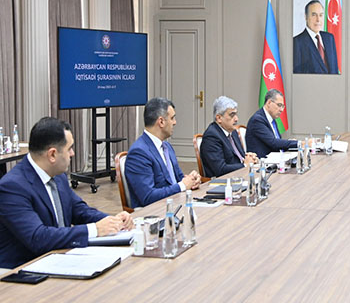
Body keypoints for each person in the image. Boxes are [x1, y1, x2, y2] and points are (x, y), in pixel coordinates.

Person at [0, 117, 133, 269]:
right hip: (23, 270)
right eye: (69, 148)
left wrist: (113, 221)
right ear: (52, 155)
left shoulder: (58, 176)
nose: (72, 153)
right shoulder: (12, 187)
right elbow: (38, 238)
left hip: (60, 257)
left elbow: (79, 211)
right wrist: (95, 229)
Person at [126, 98, 201, 208]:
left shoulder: (167, 147)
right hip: (157, 211)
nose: (175, 122)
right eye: (172, 118)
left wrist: (192, 180)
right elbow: (147, 197)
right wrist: (182, 186)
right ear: (161, 122)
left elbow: (178, 178)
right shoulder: (139, 153)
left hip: (177, 204)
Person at [200, 96, 258, 178]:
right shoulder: (211, 137)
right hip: (224, 181)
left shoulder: (232, 131)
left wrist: (249, 157)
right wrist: (245, 165)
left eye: (236, 114)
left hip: (240, 175)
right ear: (219, 118)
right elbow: (220, 169)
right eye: (232, 115)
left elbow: (239, 157)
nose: (236, 119)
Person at [245, 89, 297, 158]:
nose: (281, 110)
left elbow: (278, 144)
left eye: (282, 106)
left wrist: (292, 143)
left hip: (275, 160)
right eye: (279, 105)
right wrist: (299, 143)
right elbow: (273, 143)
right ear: (269, 103)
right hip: (262, 162)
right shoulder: (257, 120)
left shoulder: (272, 120)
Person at [293, 0, 339, 74]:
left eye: (320, 15)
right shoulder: (297, 42)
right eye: (314, 15)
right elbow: (297, 75)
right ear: (306, 17)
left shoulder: (329, 38)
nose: (318, 20)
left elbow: (335, 70)